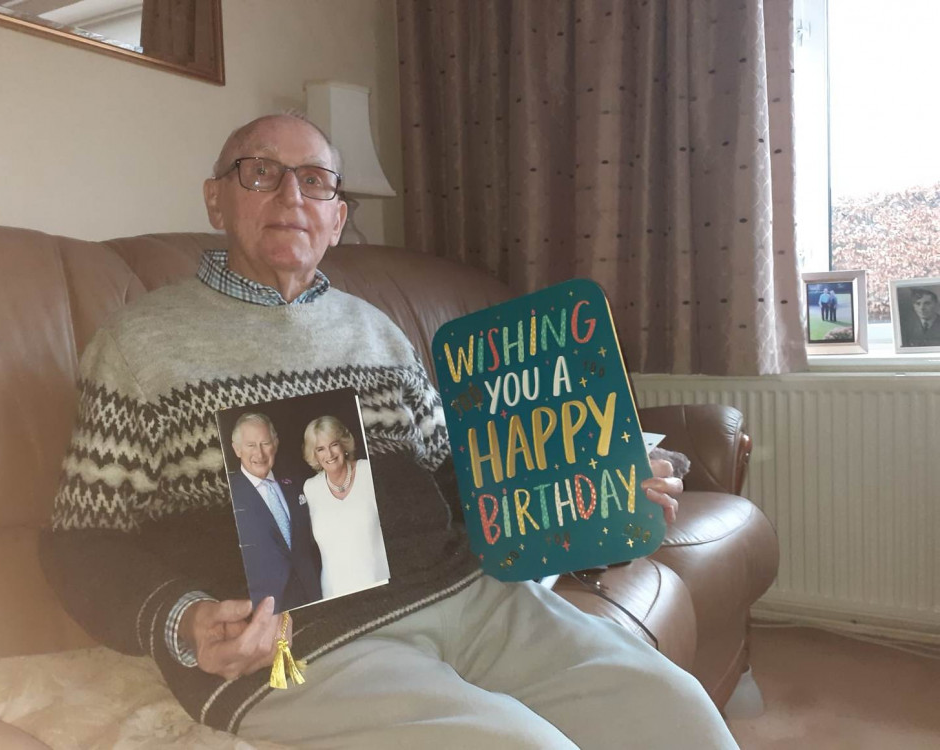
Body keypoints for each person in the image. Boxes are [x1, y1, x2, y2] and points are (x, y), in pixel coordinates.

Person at [40, 113, 737, 748]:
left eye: (314, 181)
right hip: (296, 645)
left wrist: (591, 495)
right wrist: (185, 621)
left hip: (465, 595)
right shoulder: (141, 346)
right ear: (216, 199)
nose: (291, 198)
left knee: (675, 712)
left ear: (338, 217)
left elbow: (459, 477)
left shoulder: (379, 333)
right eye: (261, 173)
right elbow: (80, 541)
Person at [227, 412, 322, 610]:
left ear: (276, 444)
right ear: (236, 449)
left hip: (315, 596)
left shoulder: (296, 482)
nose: (259, 454)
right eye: (250, 445)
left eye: (265, 443)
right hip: (270, 611)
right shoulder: (229, 496)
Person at [301, 415, 389, 600]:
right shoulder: (310, 488)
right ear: (314, 454)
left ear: (343, 444)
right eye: (320, 449)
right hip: (336, 594)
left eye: (333, 444)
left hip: (380, 585)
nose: (329, 454)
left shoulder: (368, 471)